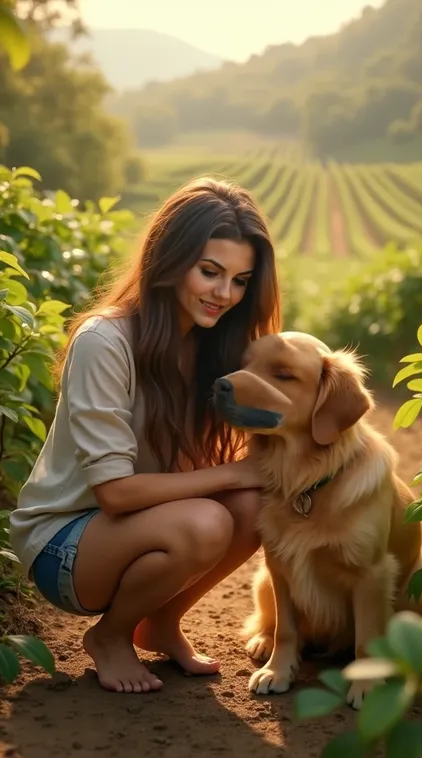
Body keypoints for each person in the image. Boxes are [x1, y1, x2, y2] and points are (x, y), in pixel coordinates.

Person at [9, 176, 281, 695]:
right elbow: (114, 493)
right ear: (170, 259)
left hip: (134, 525)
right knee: (209, 517)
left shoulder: (210, 347)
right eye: (210, 272)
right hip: (62, 543)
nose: (225, 294)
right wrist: (233, 471)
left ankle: (159, 623)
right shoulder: (105, 340)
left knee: (254, 501)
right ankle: (110, 637)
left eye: (241, 280)